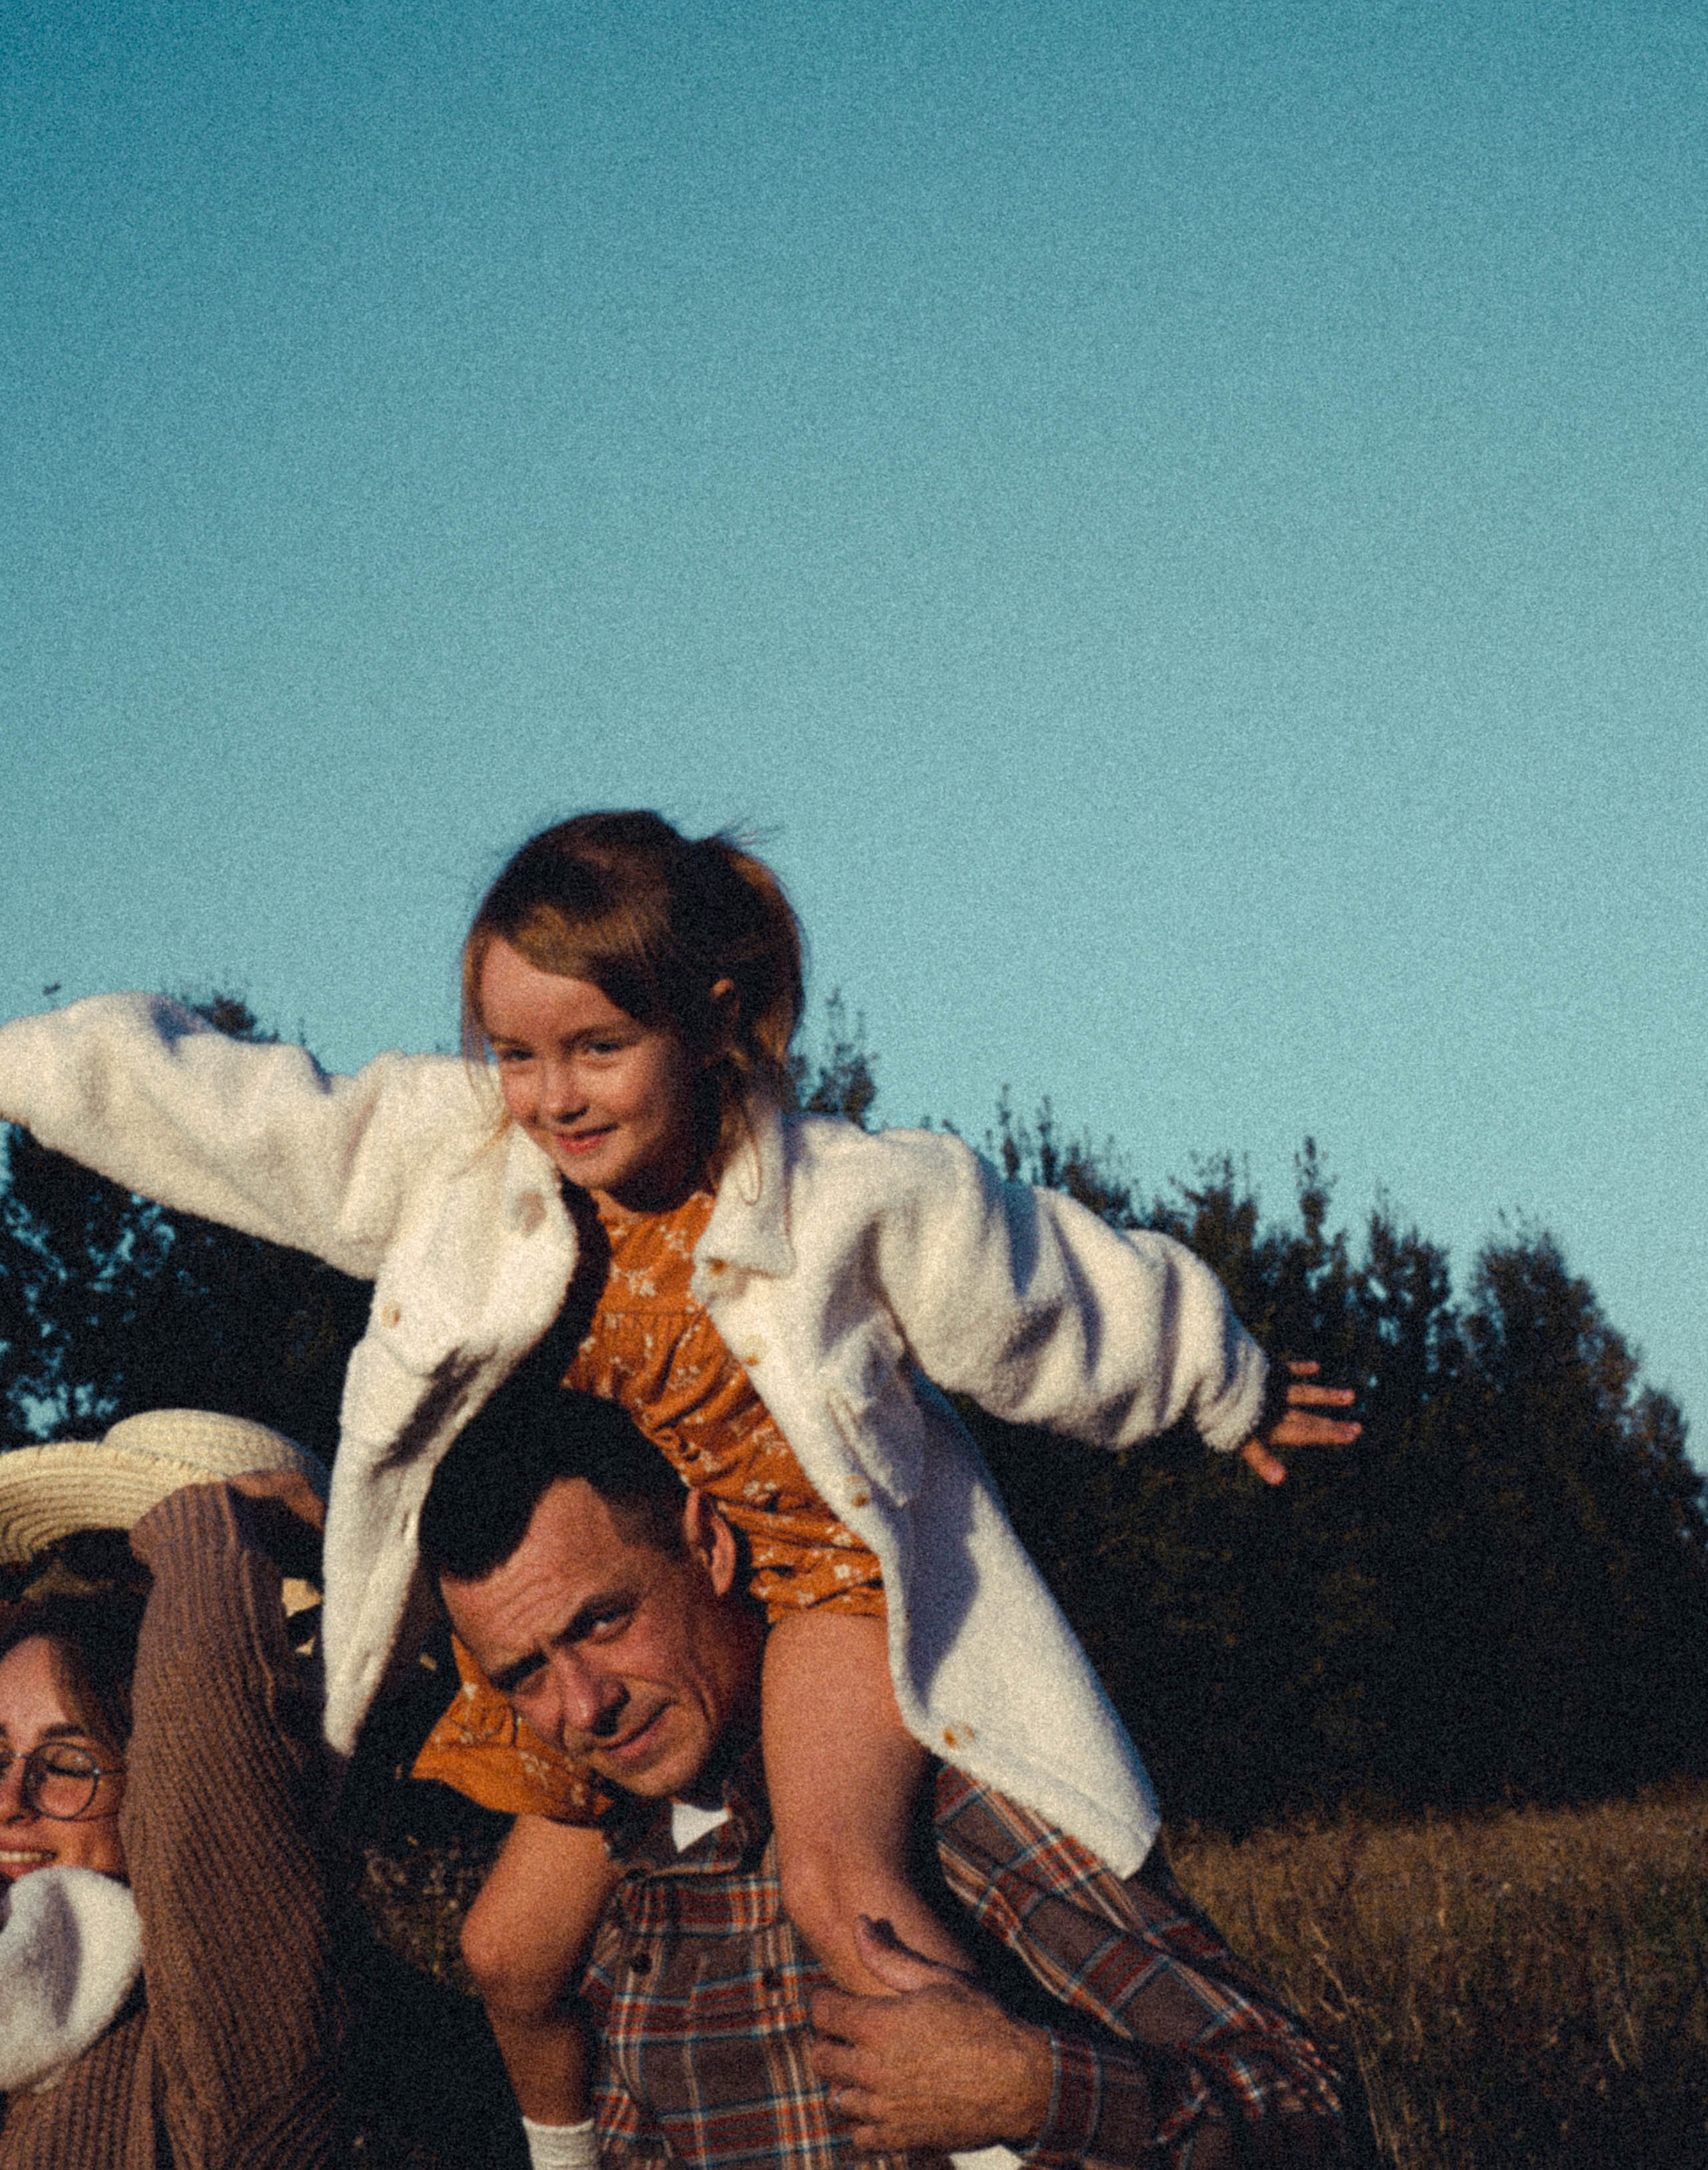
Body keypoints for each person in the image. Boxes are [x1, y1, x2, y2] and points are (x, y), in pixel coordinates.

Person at [0, 810, 1359, 2158]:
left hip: (822, 1584)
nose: (556, 1097)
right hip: (645, 1573)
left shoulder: (839, 1196)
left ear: (713, 1023)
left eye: (598, 1047)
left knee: (837, 1885)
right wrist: (26, 1068)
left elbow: (1029, 1284)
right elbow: (243, 1119)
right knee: (506, 1950)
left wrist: (1216, 1382)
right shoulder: (462, 1167)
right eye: (516, 1055)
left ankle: (980, 2131)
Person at [420, 1380, 1358, 2170]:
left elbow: (1312, 2111)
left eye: (603, 1623)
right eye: (526, 1674)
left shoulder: (936, 1793)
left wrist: (1039, 2092)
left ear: (709, 1546)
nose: (585, 1706)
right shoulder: (610, 1879)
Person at [0, 1409, 337, 2169]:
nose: (9, 1800)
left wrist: (212, 1532)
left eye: (68, 1763)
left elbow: (209, 1792)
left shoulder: (218, 2030)